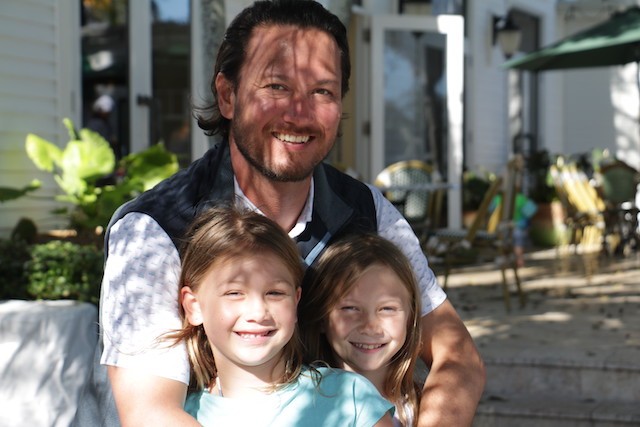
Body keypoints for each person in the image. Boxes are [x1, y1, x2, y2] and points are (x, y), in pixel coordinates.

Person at [74, 1, 485, 426]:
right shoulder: (155, 230)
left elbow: (457, 354)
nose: (299, 113)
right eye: (276, 86)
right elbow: (152, 413)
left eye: (322, 91)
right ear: (227, 95)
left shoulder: (365, 210)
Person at [169, 206, 394, 426]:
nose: (258, 313)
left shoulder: (350, 399)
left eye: (275, 293)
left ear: (295, 301)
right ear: (194, 307)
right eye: (234, 293)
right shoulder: (177, 414)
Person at [299, 232, 423, 427]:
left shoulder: (429, 407)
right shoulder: (303, 407)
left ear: (410, 317)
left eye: (387, 309)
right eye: (350, 308)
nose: (370, 326)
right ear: (322, 318)